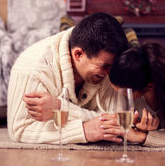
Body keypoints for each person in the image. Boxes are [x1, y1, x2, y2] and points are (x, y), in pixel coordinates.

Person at [7, 12, 129, 144]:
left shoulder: (107, 63)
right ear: (78, 54)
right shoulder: (35, 68)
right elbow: (20, 129)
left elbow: (118, 121)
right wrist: (83, 130)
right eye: (104, 66)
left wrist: (60, 108)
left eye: (113, 67)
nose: (110, 74)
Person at [107, 41, 165, 146]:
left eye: (124, 93)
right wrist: (137, 128)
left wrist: (141, 136)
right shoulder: (126, 72)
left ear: (149, 87)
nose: (121, 96)